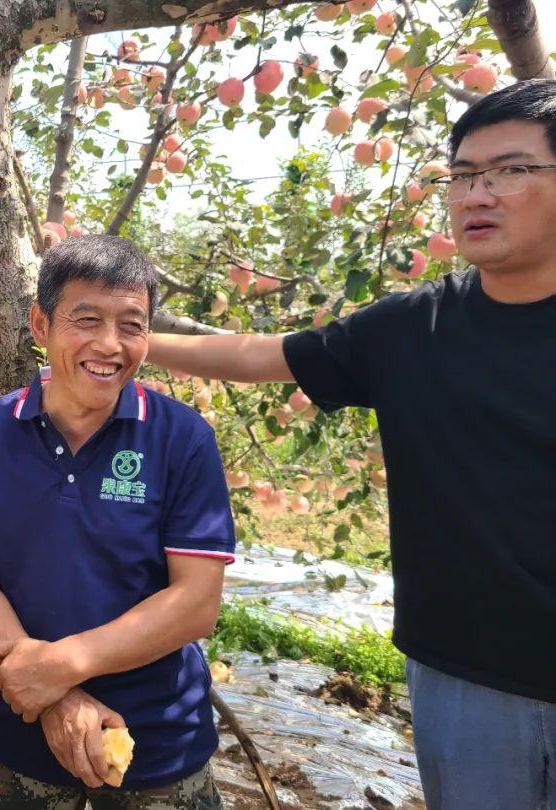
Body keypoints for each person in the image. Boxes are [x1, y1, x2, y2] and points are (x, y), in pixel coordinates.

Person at [147, 79, 556, 810]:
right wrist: (126, 344)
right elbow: (258, 355)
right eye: (461, 176)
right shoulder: (413, 329)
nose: (475, 195)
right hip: (468, 676)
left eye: (510, 171)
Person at [0, 235, 235, 809]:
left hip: (156, 746)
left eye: (132, 324)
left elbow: (197, 601)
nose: (109, 344)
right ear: (40, 324)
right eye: (87, 319)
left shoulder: (182, 438)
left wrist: (60, 668)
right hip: (17, 740)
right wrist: (54, 698)